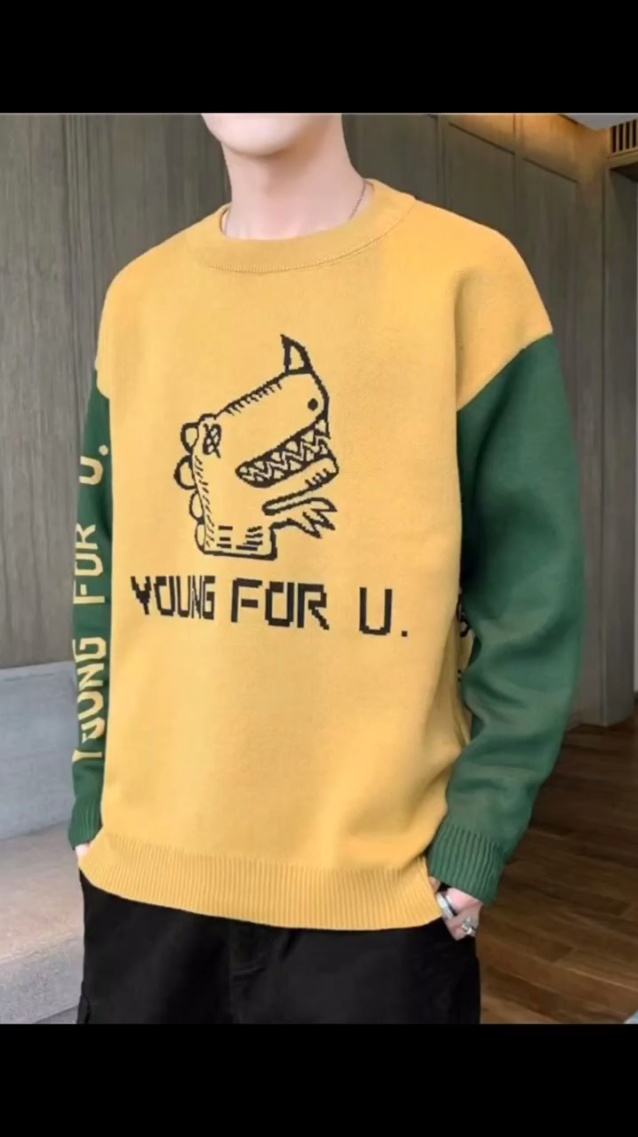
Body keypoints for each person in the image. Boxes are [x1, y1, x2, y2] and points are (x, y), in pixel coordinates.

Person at [70, 113, 583, 1025]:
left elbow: (528, 587)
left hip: (377, 905)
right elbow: (100, 568)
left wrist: (481, 827)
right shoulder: (137, 300)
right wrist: (91, 802)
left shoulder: (469, 277)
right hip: (143, 885)